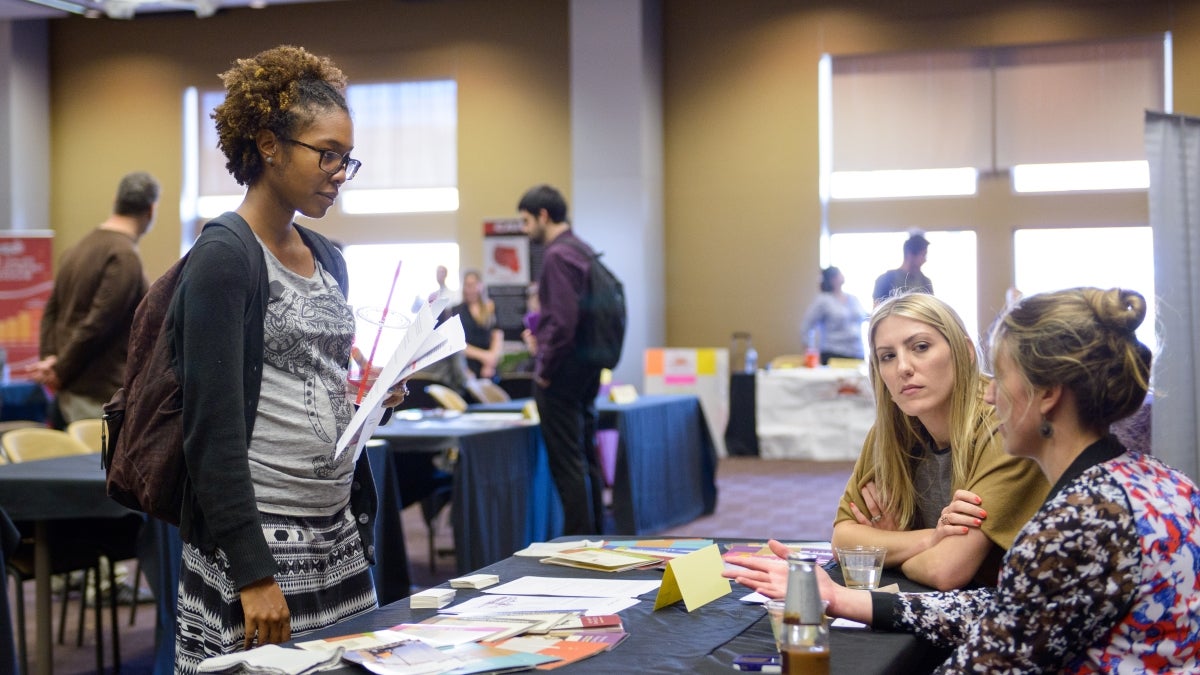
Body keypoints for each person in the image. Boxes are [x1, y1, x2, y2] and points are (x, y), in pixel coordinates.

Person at [727, 287, 1200, 673]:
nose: (989, 393)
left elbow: (984, 658)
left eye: (1001, 378)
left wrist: (892, 549)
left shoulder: (1076, 523)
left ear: (1048, 395)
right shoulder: (1164, 483)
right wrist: (842, 598)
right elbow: (1006, 607)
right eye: (887, 356)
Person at [173, 45, 405, 672]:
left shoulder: (329, 257)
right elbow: (210, 435)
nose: (339, 171)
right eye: (326, 153)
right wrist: (252, 575)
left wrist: (369, 399)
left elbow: (313, 387)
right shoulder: (225, 257)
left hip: (335, 539)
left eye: (346, 158)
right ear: (269, 144)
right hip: (258, 552)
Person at [835, 293, 1047, 589]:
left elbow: (944, 569)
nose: (903, 368)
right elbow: (844, 540)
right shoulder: (891, 430)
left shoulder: (1004, 425)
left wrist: (890, 547)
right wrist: (930, 538)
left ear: (965, 350)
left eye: (920, 347)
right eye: (888, 356)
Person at [33, 171, 159, 426]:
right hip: (96, 401)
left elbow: (51, 311)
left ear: (115, 200)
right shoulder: (125, 257)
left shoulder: (76, 250)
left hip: (66, 394)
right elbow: (98, 324)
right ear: (151, 210)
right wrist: (58, 369)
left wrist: (51, 361)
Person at [518, 184, 607, 536]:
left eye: (526, 221)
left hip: (562, 375)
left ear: (543, 215)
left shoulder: (556, 255)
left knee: (568, 464)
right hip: (587, 368)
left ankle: (579, 542)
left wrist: (544, 369)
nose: (525, 231)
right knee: (585, 460)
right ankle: (595, 536)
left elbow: (564, 321)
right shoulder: (582, 249)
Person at [800, 266, 868, 364]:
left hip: (857, 353)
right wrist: (809, 350)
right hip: (833, 354)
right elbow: (806, 325)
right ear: (832, 279)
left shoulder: (853, 299)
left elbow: (865, 317)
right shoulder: (823, 300)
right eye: (838, 274)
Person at [453, 269, 504, 379]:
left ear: (480, 285)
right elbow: (457, 344)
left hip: (490, 367)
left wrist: (491, 360)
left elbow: (497, 335)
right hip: (467, 367)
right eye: (467, 285)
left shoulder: (490, 307)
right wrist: (484, 356)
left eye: (473, 284)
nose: (470, 289)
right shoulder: (457, 310)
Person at [872, 232, 933, 305]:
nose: (924, 260)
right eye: (923, 255)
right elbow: (877, 311)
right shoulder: (885, 280)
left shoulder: (926, 282)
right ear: (910, 255)